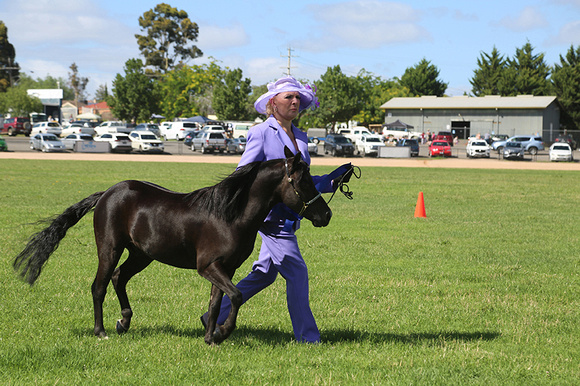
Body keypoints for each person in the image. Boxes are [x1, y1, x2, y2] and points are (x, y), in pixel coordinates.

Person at [201, 76, 352, 343]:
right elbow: (242, 176)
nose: (295, 102)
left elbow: (299, 183)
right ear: (273, 102)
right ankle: (308, 338)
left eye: (298, 98)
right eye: (288, 98)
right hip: (270, 220)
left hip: (290, 216)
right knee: (297, 273)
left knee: (264, 274)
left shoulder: (301, 137)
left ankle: (214, 314)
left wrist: (331, 180)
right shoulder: (260, 133)